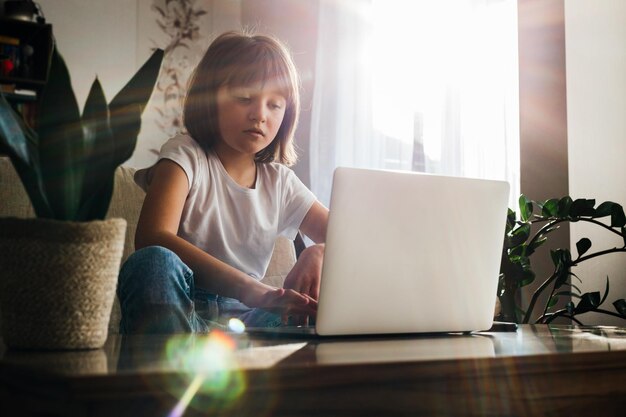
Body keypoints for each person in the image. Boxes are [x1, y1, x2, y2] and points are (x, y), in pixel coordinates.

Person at [117, 31, 329, 334]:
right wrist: (252, 289)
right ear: (210, 98)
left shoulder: (280, 182)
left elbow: (350, 241)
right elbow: (152, 236)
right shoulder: (185, 156)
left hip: (248, 321)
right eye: (245, 98)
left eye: (275, 105)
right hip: (184, 306)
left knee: (316, 314)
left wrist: (317, 251)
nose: (259, 114)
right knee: (153, 263)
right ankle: (176, 364)